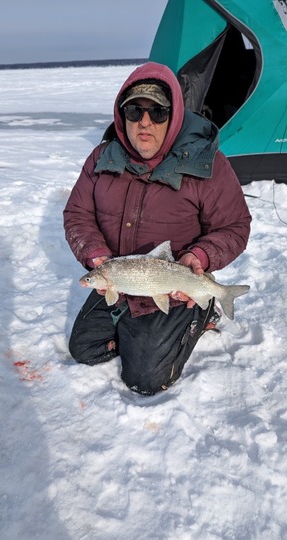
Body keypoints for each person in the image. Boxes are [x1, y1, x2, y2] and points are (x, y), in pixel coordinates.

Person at [63, 61, 251, 396]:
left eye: (158, 112)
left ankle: (203, 307)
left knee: (145, 380)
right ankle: (134, 328)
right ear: (123, 116)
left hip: (175, 288)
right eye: (134, 111)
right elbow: (78, 214)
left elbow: (235, 226)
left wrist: (200, 255)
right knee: (85, 349)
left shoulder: (206, 163)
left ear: (174, 115)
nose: (144, 122)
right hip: (124, 279)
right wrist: (96, 254)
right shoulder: (102, 158)